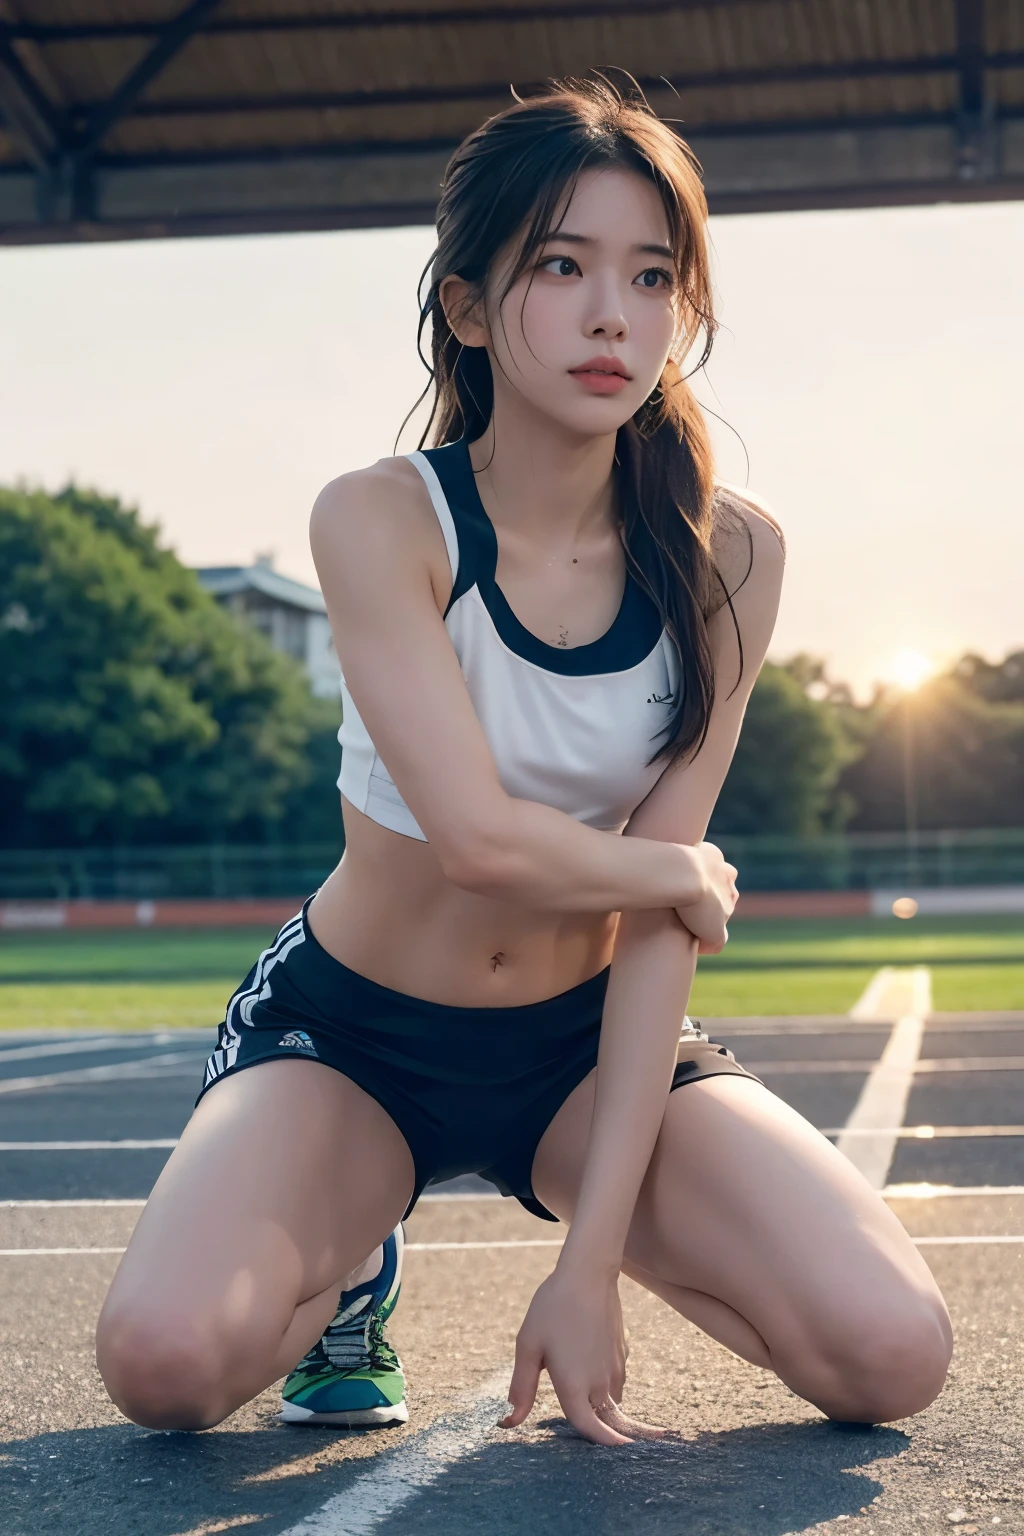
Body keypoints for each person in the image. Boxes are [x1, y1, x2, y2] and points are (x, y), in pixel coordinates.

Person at [96, 77, 952, 1447]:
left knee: (890, 1353)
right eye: (562, 265)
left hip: (580, 1045)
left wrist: (588, 1265)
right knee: (166, 1364)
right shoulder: (385, 520)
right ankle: (348, 1266)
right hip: (355, 1040)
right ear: (472, 307)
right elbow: (482, 839)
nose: (615, 311)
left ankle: (546, 1222)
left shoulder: (733, 554)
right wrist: (668, 864)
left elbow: (665, 918)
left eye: (653, 274)